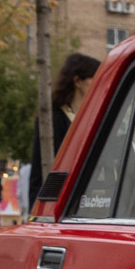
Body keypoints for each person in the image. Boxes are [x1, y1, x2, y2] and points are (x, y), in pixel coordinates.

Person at [28, 52, 102, 208]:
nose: (100, 83)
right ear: (78, 81)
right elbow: (39, 171)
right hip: (60, 205)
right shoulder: (53, 119)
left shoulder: (93, 116)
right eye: (95, 78)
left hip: (90, 201)